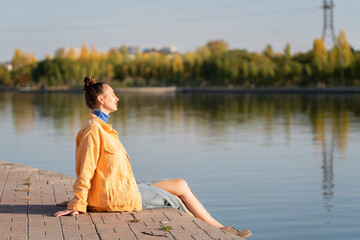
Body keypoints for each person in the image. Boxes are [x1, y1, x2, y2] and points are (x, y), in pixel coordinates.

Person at [53, 76, 252, 238]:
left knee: (180, 184)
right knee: (173, 201)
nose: (117, 98)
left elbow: (100, 171)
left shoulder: (103, 129)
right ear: (100, 100)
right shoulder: (93, 130)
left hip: (121, 188)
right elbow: (85, 169)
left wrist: (82, 197)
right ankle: (217, 233)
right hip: (115, 198)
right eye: (113, 94)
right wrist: (79, 202)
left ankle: (221, 228)